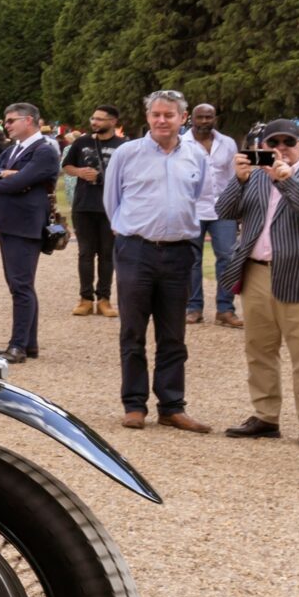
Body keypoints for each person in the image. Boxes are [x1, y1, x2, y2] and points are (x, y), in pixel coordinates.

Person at [216, 120, 299, 450]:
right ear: (264, 146)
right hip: (256, 271)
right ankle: (266, 415)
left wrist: (287, 182)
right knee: (259, 349)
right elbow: (223, 211)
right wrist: (239, 179)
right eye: (275, 142)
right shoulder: (255, 176)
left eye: (289, 142)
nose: (282, 148)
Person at [100, 91, 212, 431]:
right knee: (133, 330)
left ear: (183, 117)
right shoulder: (127, 153)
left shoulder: (195, 155)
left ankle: (172, 405)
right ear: (147, 117)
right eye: (156, 114)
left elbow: (202, 197)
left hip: (179, 251)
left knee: (173, 333)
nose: (162, 120)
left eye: (169, 115)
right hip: (137, 250)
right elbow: (112, 200)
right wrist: (128, 232)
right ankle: (134, 405)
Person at [0, 103, 57, 362]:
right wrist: (2, 174)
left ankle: (18, 345)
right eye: (6, 121)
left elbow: (19, 182)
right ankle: (28, 343)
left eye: (11, 121)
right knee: (19, 284)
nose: (6, 125)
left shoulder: (44, 151)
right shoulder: (13, 150)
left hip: (25, 224)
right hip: (9, 221)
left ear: (29, 120)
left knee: (21, 285)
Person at [185, 102, 242, 327]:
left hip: (223, 209)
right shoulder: (182, 143)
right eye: (200, 117)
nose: (204, 122)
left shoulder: (227, 143)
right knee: (191, 260)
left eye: (209, 117)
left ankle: (225, 310)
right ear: (191, 118)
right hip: (192, 210)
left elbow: (234, 177)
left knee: (228, 258)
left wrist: (238, 207)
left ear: (215, 119)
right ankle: (193, 307)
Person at [63, 106, 121, 317]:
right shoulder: (82, 142)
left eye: (100, 119)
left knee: (107, 254)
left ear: (113, 121)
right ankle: (85, 298)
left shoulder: (123, 146)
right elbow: (67, 166)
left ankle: (104, 299)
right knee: (85, 253)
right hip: (84, 205)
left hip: (110, 207)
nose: (94, 122)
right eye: (93, 118)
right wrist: (79, 172)